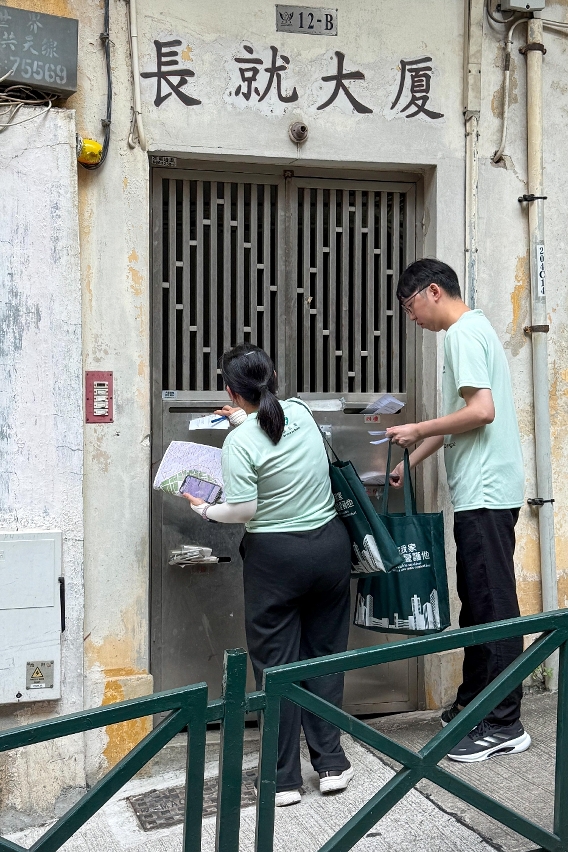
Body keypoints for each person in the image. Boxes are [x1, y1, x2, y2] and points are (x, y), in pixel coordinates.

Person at [182, 343, 354, 804]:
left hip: (276, 560)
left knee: (276, 667)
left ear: (231, 391)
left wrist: (204, 510)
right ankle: (332, 765)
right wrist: (245, 418)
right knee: (325, 657)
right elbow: (274, 427)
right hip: (329, 549)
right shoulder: (300, 411)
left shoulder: (239, 444)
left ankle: (283, 779)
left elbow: (243, 509)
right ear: (273, 377)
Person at [385, 258, 530, 763]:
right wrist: (411, 459)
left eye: (410, 307)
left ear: (433, 291)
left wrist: (417, 429)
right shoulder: (475, 328)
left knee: (493, 606)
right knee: (477, 603)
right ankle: (475, 702)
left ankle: (504, 722)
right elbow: (460, 420)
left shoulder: (462, 334)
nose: (412, 318)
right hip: (484, 491)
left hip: (485, 492)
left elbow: (481, 411)